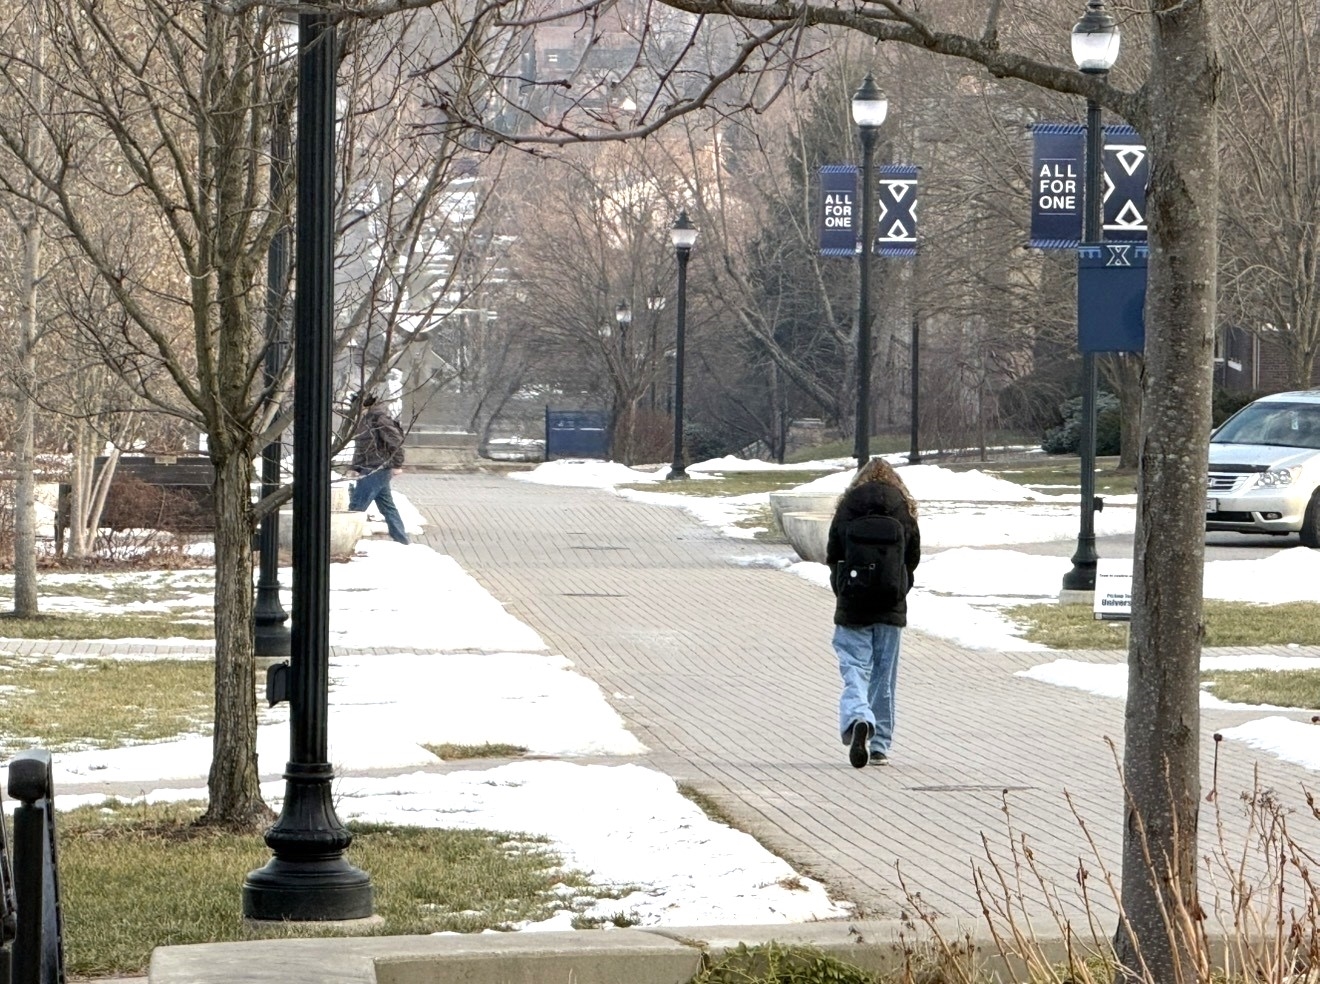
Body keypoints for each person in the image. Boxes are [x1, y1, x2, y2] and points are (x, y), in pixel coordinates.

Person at [826, 457, 920, 768]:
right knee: (884, 676)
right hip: (890, 604)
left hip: (853, 602)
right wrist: (899, 588)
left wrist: (843, 590)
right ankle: (879, 745)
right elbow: (913, 556)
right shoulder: (901, 507)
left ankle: (859, 717)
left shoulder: (848, 506)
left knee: (854, 667)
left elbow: (833, 554)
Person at [348, 392, 409, 545]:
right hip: (371, 468)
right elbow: (362, 447)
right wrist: (355, 467)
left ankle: (345, 541)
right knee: (387, 506)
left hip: (377, 468)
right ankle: (402, 540)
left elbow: (396, 442)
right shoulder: (365, 420)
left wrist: (397, 464)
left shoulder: (379, 419)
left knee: (356, 507)